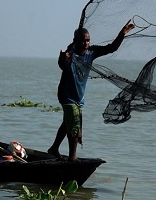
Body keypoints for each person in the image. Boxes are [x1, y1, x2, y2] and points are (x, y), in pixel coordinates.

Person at [49, 20, 135, 162]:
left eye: (88, 41)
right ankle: (72, 158)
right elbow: (62, 65)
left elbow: (111, 48)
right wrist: (62, 59)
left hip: (78, 97)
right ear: (76, 41)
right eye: (83, 41)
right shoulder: (70, 54)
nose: (86, 43)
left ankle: (54, 148)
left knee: (67, 123)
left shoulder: (91, 52)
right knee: (75, 124)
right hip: (66, 95)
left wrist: (122, 33)